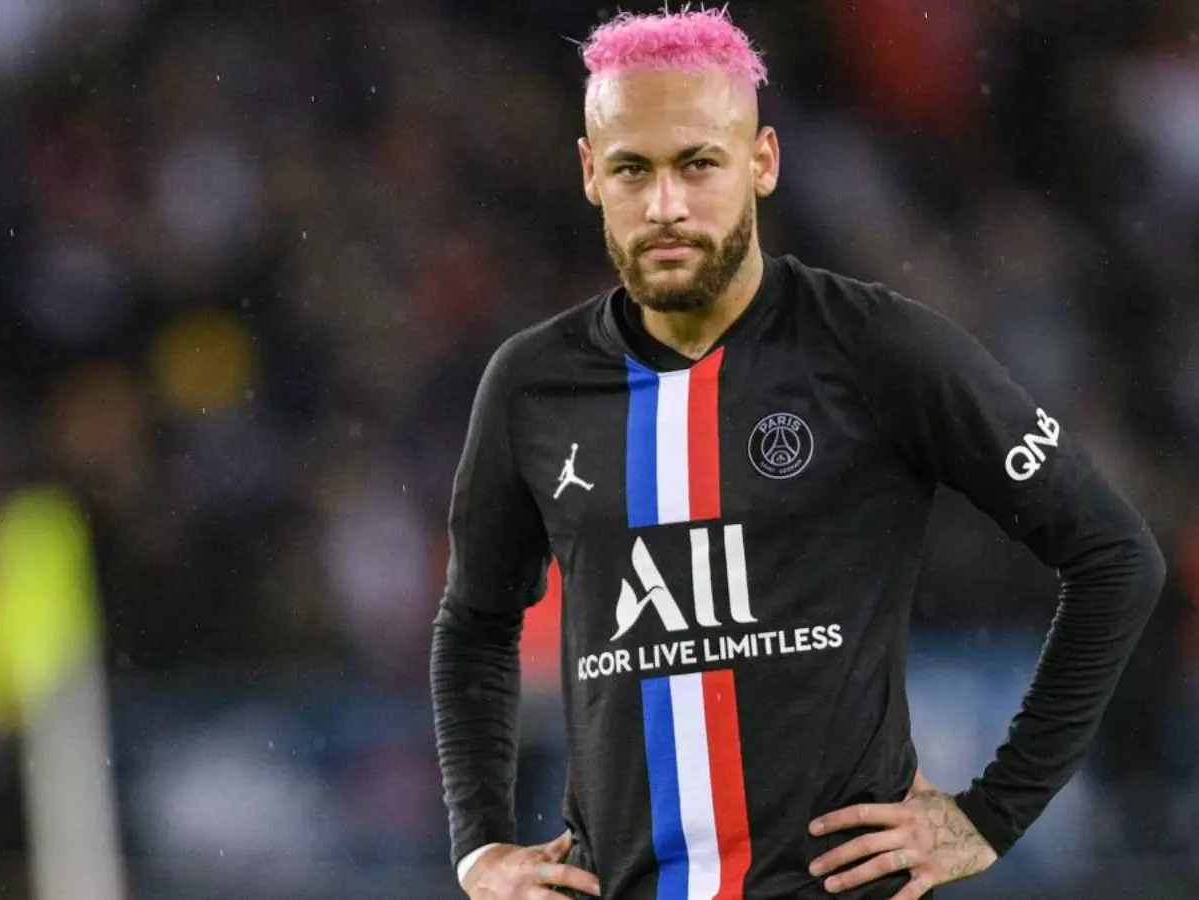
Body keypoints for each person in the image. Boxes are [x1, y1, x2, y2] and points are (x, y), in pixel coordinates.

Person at [429, 9, 1166, 900]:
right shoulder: (531, 385)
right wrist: (480, 846)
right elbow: (474, 623)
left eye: (699, 163)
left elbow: (1115, 555)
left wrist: (994, 812)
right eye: (632, 169)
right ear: (591, 173)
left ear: (763, 161)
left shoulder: (877, 348)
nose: (665, 205)